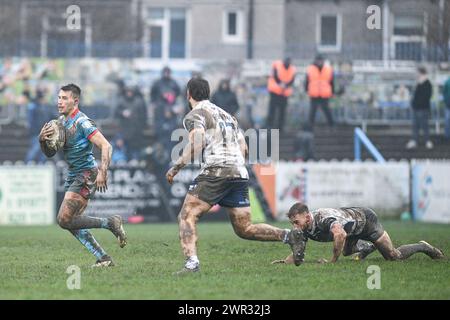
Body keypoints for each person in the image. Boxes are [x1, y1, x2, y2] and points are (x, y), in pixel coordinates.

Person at [165, 78, 302, 274]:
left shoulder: (195, 114)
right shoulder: (228, 116)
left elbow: (197, 142)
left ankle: (192, 263)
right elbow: (244, 149)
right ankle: (290, 236)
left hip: (217, 170)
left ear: (188, 94)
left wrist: (176, 167)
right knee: (244, 228)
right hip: (239, 171)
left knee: (187, 216)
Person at [39, 84, 127, 267]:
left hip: (86, 173)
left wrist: (103, 171)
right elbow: (50, 154)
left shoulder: (82, 122)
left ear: (75, 101)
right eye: (58, 97)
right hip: (74, 174)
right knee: (71, 222)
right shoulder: (60, 123)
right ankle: (104, 258)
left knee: (64, 219)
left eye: (64, 98)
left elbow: (106, 146)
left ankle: (110, 222)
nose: (59, 101)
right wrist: (42, 141)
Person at [272, 203, 444, 266]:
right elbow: (300, 248)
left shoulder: (323, 219)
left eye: (296, 222)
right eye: (292, 223)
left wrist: (331, 261)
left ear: (307, 217)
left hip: (367, 222)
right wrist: (286, 261)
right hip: (352, 229)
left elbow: (339, 234)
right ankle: (368, 248)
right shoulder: (305, 228)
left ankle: (423, 246)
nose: (295, 226)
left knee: (393, 257)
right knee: (347, 251)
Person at [150, 66, 181, 163]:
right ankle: (160, 158)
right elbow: (152, 96)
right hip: (160, 116)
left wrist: (173, 109)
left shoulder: (174, 83)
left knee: (171, 138)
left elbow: (178, 94)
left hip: (171, 117)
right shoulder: (158, 84)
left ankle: (171, 158)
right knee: (160, 138)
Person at [115, 85, 147, 160]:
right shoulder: (122, 101)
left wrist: (141, 126)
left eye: (130, 91)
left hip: (136, 131)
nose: (129, 93)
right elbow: (116, 113)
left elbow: (143, 115)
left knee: (136, 152)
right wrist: (122, 113)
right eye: (128, 91)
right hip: (125, 131)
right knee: (126, 152)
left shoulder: (139, 101)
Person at [406, 67, 433, 149]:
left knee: (424, 126)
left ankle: (427, 141)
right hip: (416, 108)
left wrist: (416, 103)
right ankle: (414, 140)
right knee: (415, 126)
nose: (416, 74)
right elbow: (415, 96)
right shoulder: (417, 84)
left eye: (417, 73)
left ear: (421, 73)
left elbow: (426, 97)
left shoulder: (428, 84)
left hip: (423, 109)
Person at [266, 57, 296, 132]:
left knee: (282, 111)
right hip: (275, 91)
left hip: (284, 93)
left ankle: (280, 127)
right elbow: (275, 76)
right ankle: (269, 126)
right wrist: (281, 84)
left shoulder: (293, 69)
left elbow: (292, 80)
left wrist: (285, 85)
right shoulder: (277, 65)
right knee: (272, 110)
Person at [305, 54, 335, 128]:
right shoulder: (310, 69)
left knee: (326, 110)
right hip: (314, 93)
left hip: (324, 93)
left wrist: (332, 91)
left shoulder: (328, 69)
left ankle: (331, 125)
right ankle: (310, 125)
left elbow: (331, 82)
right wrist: (306, 89)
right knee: (313, 110)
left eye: (321, 60)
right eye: (318, 60)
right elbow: (307, 81)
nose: (319, 62)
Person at [443, 74, 450, 140]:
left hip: (448, 104)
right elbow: (444, 92)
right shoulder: (447, 81)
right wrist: (446, 101)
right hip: (448, 105)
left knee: (447, 121)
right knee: (447, 121)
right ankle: (447, 137)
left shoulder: (447, 81)